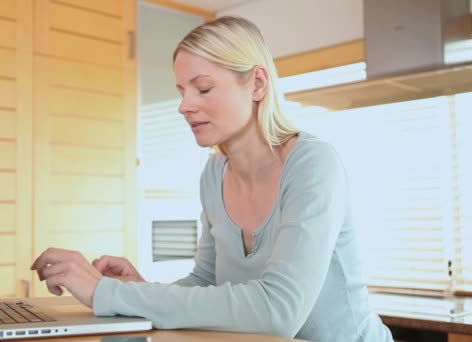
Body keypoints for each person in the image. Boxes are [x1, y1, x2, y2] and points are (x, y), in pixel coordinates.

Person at [30, 16, 394, 341]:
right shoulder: (213, 174)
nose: (184, 105)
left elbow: (279, 311)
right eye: (181, 91)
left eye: (202, 88)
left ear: (256, 84)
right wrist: (142, 288)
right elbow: (206, 282)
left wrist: (106, 293)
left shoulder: (313, 164)